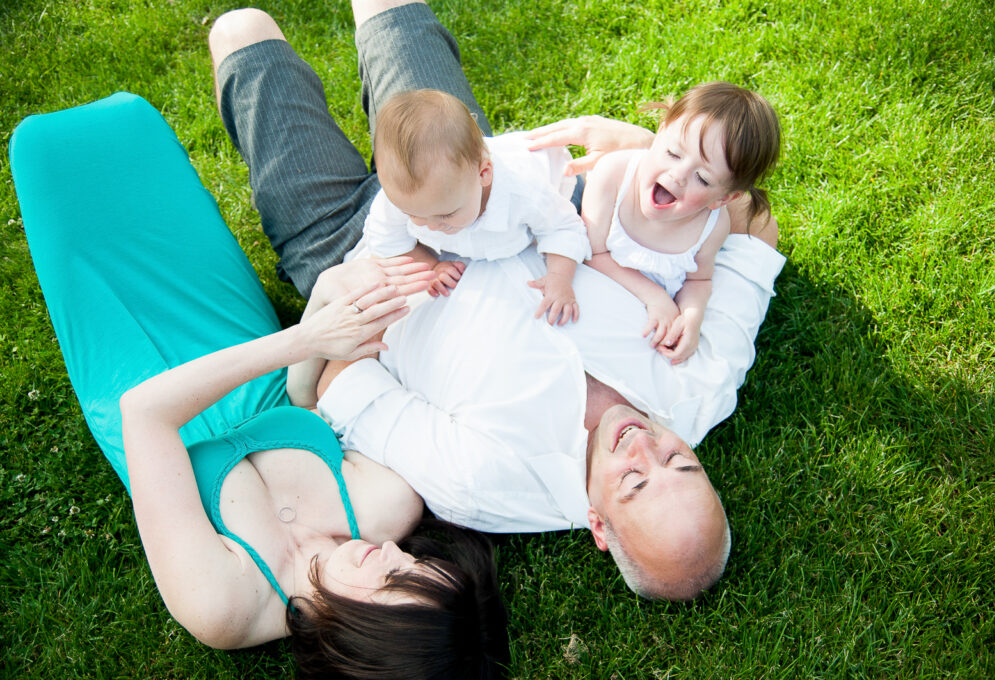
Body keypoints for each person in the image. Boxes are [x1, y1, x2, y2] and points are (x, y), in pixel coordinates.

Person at [209, 1, 785, 600]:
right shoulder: (705, 381)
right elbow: (751, 220)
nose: (644, 445)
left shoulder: (488, 485)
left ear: (599, 528)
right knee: (387, 8)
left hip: (352, 249)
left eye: (636, 481)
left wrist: (390, 281)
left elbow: (338, 383)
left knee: (241, 31)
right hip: (474, 178)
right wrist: (644, 151)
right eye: (681, 463)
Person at [12, 47, 508, 680]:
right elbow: (302, 404)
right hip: (234, 338)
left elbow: (147, 415)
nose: (391, 553)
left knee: (45, 154)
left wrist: (300, 342)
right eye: (411, 564)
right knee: (125, 132)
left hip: (136, 377)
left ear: (367, 643)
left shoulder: (226, 607)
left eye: (393, 580)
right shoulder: (388, 506)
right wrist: (328, 325)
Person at [580, 82, 780, 363]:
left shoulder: (712, 226)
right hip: (594, 292)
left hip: (647, 325)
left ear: (723, 198)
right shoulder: (613, 175)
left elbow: (698, 280)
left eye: (704, 178)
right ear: (660, 132)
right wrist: (656, 297)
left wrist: (692, 317)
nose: (678, 175)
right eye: (673, 153)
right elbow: (592, 253)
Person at [364, 89, 590, 324]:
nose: (429, 226)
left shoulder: (524, 191)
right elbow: (386, 241)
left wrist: (559, 277)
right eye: (412, 215)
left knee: (582, 219)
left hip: (561, 184)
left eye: (446, 214)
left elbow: (563, 227)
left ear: (484, 174)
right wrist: (431, 265)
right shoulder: (407, 199)